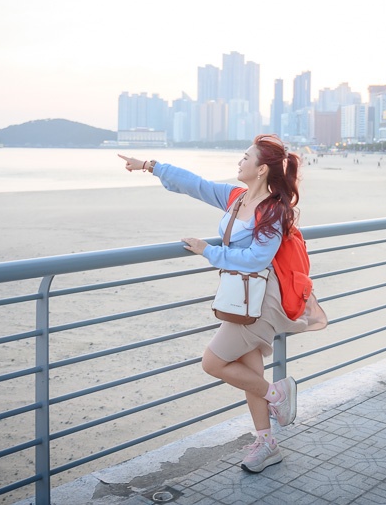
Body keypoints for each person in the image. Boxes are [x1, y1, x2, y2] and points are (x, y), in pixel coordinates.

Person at [117, 135, 324, 474]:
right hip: (242, 298)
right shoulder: (235, 197)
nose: (238, 162)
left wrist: (207, 251)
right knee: (249, 371)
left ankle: (278, 395)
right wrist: (150, 166)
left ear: (261, 169)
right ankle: (266, 442)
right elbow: (195, 184)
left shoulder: (272, 211)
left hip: (260, 300)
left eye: (245, 158)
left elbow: (257, 258)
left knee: (213, 362)